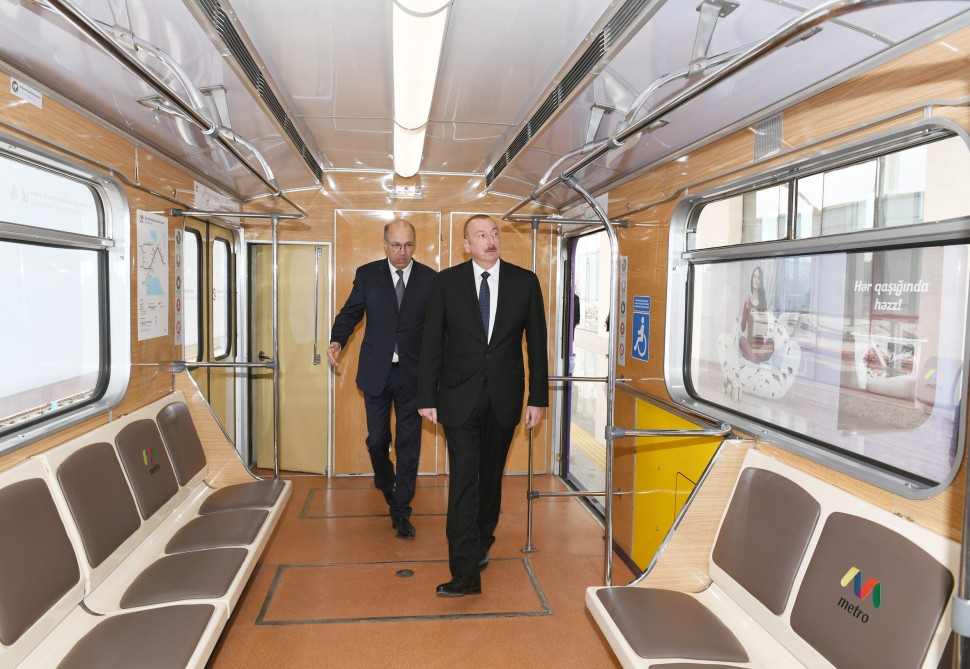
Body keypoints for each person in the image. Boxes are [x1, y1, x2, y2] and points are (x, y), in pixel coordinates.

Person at [418, 214, 548, 597]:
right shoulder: (446, 283)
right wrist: (426, 395)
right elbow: (431, 343)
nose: (490, 240)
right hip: (458, 398)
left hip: (505, 399)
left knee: (490, 479)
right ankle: (465, 572)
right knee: (463, 482)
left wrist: (537, 398)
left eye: (494, 234)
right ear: (466, 244)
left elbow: (537, 346)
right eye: (481, 235)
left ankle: (482, 537)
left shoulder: (525, 282)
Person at [328, 218, 435, 539]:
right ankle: (384, 477)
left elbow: (439, 329)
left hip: (413, 376)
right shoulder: (368, 275)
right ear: (385, 244)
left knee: (408, 444)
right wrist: (337, 339)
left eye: (408, 245)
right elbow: (350, 313)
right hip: (377, 371)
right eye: (396, 245)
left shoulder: (430, 279)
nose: (402, 253)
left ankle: (401, 509)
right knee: (377, 440)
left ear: (414, 245)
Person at [738, 265, 774, 363]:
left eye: (758, 277)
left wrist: (758, 318)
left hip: (760, 347)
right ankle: (756, 359)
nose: (756, 279)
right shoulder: (748, 301)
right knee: (741, 340)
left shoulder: (763, 302)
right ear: (752, 279)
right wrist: (746, 309)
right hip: (749, 345)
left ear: (760, 281)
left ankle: (754, 358)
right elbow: (743, 328)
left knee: (771, 342)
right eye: (754, 276)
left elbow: (765, 331)